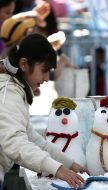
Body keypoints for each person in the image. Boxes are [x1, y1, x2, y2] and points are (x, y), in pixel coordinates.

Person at [0, 33, 86, 189]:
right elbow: (14, 142)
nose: (47, 78)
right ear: (24, 64)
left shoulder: (13, 89)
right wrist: (58, 170)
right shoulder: (8, 92)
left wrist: (70, 164)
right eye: (44, 70)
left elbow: (33, 138)